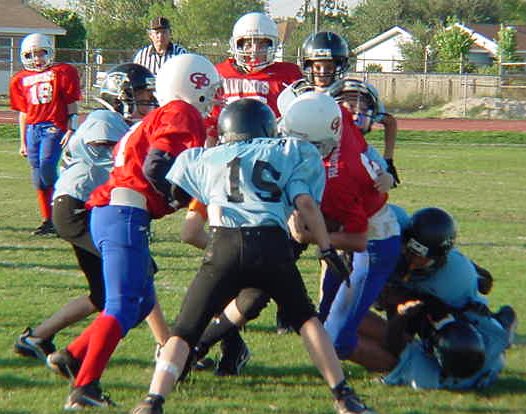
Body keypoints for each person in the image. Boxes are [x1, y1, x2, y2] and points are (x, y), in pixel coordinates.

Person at [131, 98, 376, 414]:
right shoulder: (288, 152)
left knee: (184, 331)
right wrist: (327, 248)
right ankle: (343, 395)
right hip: (271, 246)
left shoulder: (205, 158)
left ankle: (153, 400)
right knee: (307, 320)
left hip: (223, 245)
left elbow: (175, 189)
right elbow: (306, 205)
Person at [44, 54, 221, 410]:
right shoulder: (181, 112)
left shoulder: (165, 113)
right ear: (193, 83)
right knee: (123, 304)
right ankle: (85, 388)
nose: (214, 95)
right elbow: (157, 164)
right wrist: (182, 195)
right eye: (210, 86)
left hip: (117, 210)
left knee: (138, 304)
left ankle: (74, 355)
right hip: (123, 211)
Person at [13, 63, 169, 362]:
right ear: (122, 94)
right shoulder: (104, 120)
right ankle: (167, 345)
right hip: (76, 208)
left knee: (103, 293)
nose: (149, 99)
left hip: (82, 208)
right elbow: (126, 160)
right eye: (143, 92)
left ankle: (37, 337)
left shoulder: (113, 122)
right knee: (138, 271)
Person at [285, 91, 401, 371]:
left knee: (337, 340)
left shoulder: (339, 179)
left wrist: (308, 237)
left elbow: (359, 240)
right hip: (359, 226)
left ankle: (407, 366)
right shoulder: (338, 117)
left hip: (372, 243)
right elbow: (370, 131)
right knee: (328, 320)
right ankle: (408, 344)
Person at [375, 207, 517, 389]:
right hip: (434, 296)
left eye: (419, 256)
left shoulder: (452, 280)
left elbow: (483, 283)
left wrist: (401, 300)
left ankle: (503, 322)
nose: (411, 259)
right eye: (409, 251)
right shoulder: (397, 227)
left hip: (463, 312)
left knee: (463, 341)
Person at [10, 33, 81, 235]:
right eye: (32, 55)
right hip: (33, 128)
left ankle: (65, 208)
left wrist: (71, 127)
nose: (37, 59)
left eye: (41, 54)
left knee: (47, 167)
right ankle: (48, 220)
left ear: (50, 52)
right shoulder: (20, 79)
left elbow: (71, 102)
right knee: (38, 177)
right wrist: (22, 141)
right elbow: (23, 113)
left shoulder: (62, 72)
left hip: (53, 125)